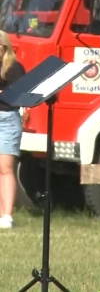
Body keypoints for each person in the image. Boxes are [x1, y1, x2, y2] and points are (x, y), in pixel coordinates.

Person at [0, 30, 25, 229]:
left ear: (4, 47)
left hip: (6, 120)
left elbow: (13, 95)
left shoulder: (14, 68)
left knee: (5, 168)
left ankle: (7, 216)